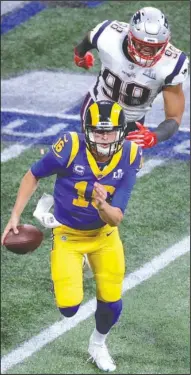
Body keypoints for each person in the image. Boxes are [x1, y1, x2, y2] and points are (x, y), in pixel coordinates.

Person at [2, 100, 142, 372]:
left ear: (121, 132)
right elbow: (33, 174)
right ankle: (75, 261)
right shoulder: (71, 146)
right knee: (68, 308)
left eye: (110, 131)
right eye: (98, 131)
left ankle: (98, 344)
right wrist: (15, 215)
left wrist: (102, 205)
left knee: (111, 299)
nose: (103, 137)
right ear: (86, 130)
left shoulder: (131, 155)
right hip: (68, 234)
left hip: (105, 235)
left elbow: (117, 217)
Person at [74, 6, 189, 149]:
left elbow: (174, 117)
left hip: (132, 120)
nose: (146, 53)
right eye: (141, 45)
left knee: (123, 168)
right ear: (130, 36)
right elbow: (90, 38)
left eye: (153, 48)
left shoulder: (173, 65)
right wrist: (80, 55)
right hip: (97, 105)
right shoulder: (109, 35)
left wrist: (155, 137)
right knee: (88, 158)